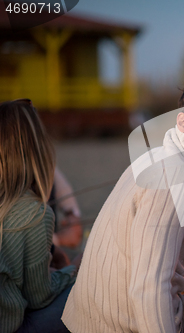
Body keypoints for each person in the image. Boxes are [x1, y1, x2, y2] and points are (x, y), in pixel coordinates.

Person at [62, 77, 184, 333]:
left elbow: (176, 204)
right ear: (183, 121)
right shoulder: (176, 177)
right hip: (141, 325)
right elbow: (149, 288)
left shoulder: (157, 158)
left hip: (90, 322)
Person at [0, 99, 78, 333]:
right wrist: (74, 269)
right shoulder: (35, 212)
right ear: (37, 150)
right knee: (93, 292)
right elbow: (38, 297)